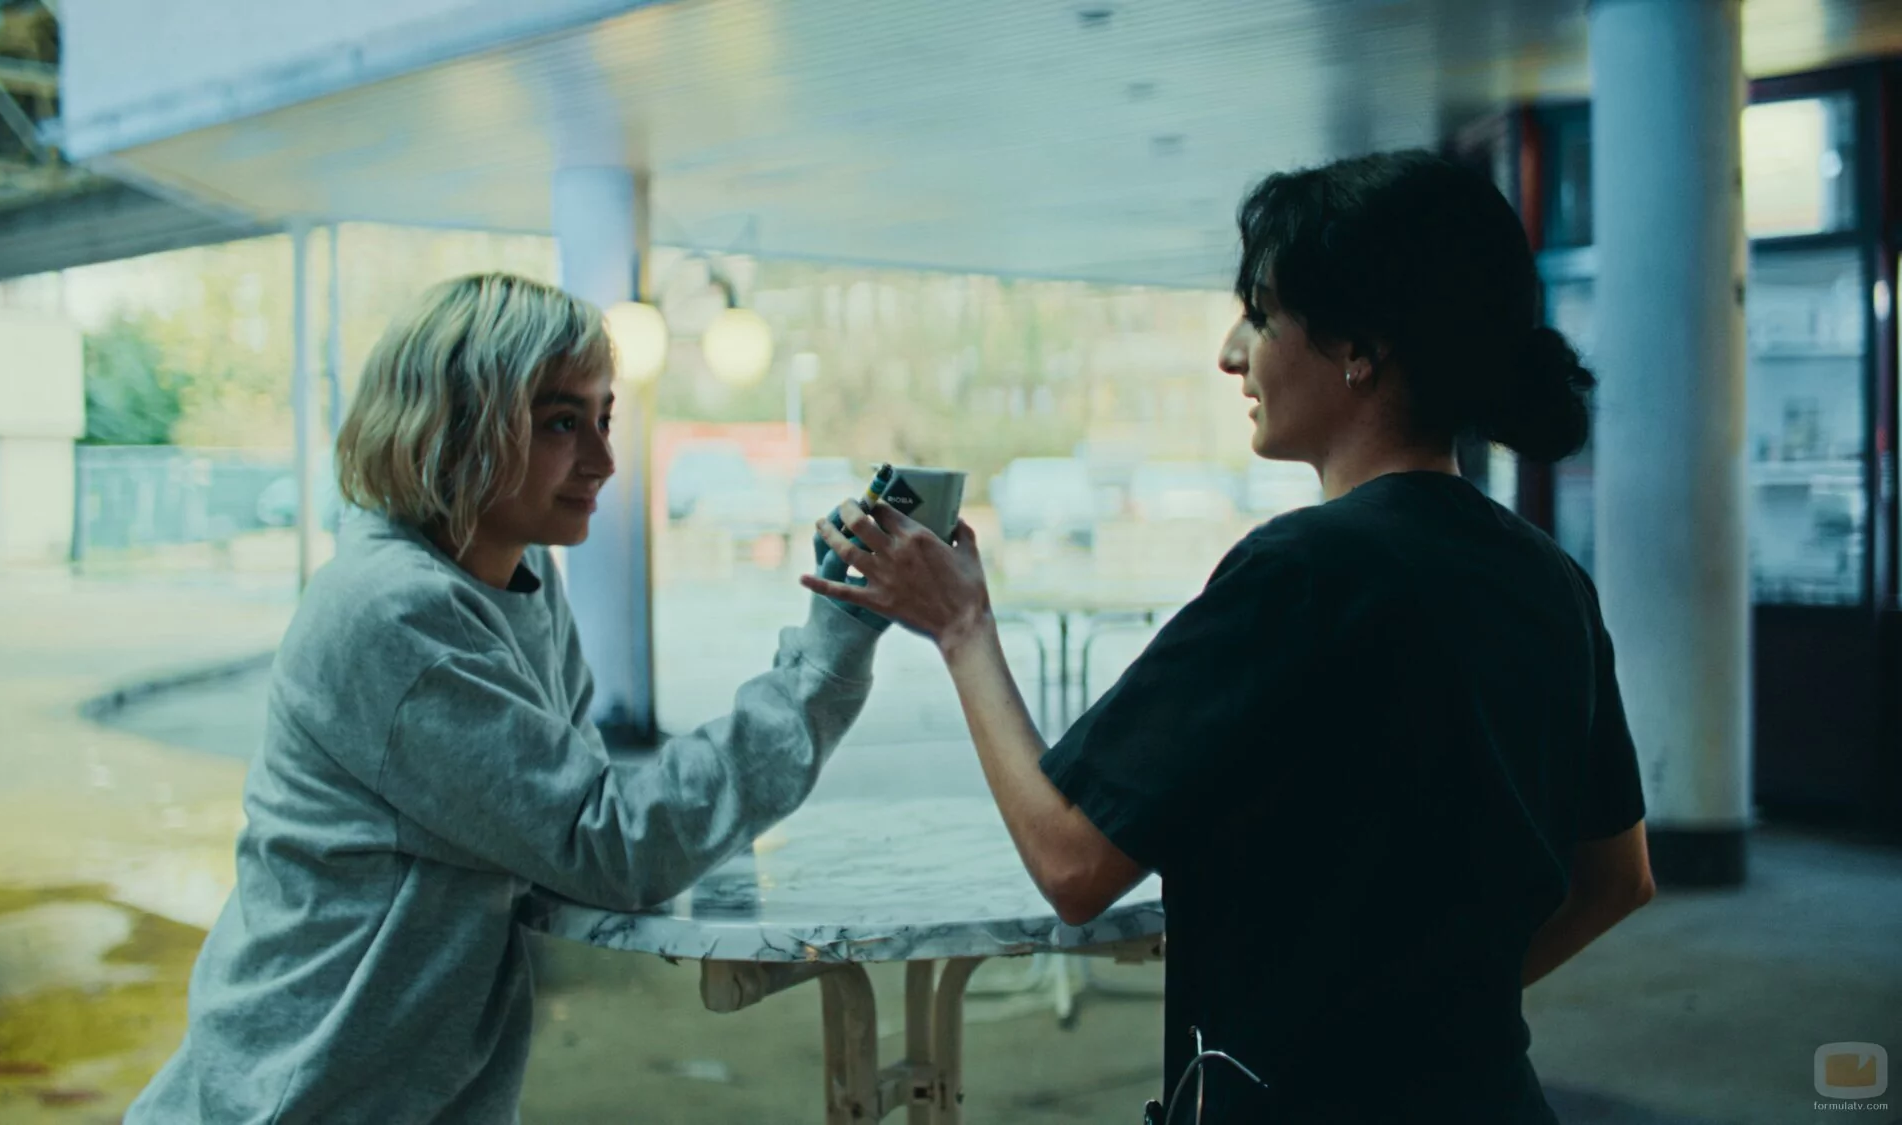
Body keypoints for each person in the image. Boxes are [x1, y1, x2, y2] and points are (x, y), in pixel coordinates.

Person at [806, 151, 1654, 1124]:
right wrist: (1433, 1011)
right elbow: (1618, 879)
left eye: (1259, 314)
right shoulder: (1550, 581)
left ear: (1358, 347)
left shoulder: (1304, 573)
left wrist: (961, 625)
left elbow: (1071, 862)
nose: (1229, 351)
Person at [128, 273, 886, 1124]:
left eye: (604, 419)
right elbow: (606, 843)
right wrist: (825, 661)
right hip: (298, 1095)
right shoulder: (393, 611)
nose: (602, 460)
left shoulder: (517, 576)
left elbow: (568, 819)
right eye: (562, 422)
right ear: (455, 427)